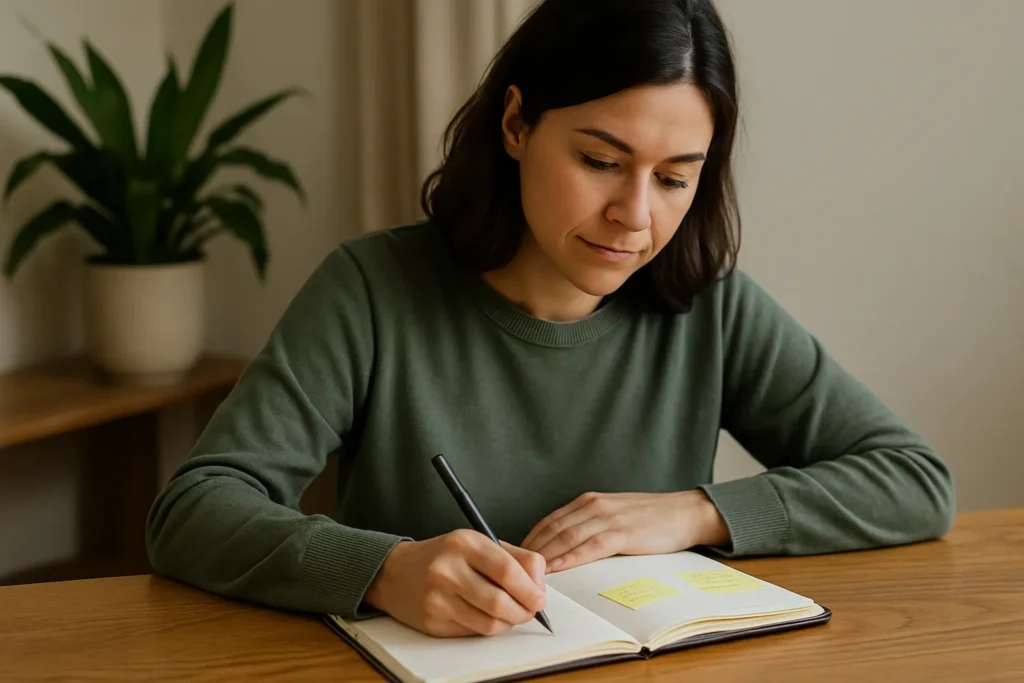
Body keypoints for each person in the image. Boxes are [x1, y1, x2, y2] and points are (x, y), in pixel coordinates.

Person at [146, 0, 955, 640]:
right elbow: (195, 509)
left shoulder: (710, 304)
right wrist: (383, 568)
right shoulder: (371, 288)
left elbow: (915, 480)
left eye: (676, 179)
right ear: (516, 125)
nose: (633, 216)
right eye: (600, 161)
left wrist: (694, 511)